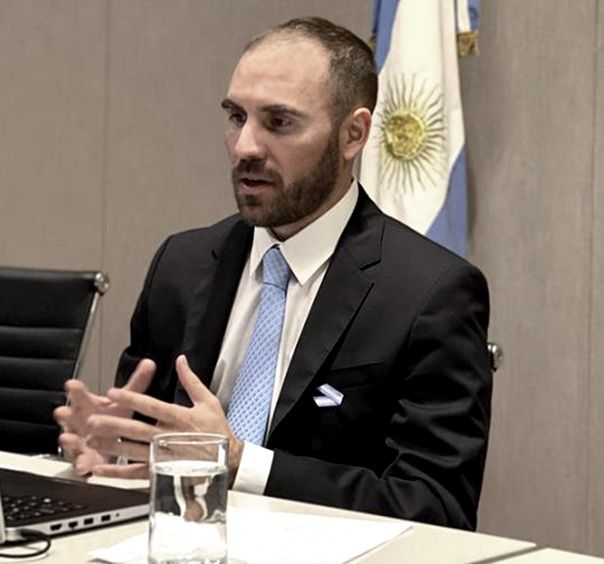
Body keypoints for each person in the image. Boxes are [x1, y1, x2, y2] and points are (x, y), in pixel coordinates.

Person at [54, 17, 491, 531]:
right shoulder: (182, 263)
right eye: (236, 117)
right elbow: (151, 437)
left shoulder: (429, 293)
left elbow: (437, 507)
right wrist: (110, 448)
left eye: (278, 122)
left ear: (353, 134)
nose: (245, 147)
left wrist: (241, 463)